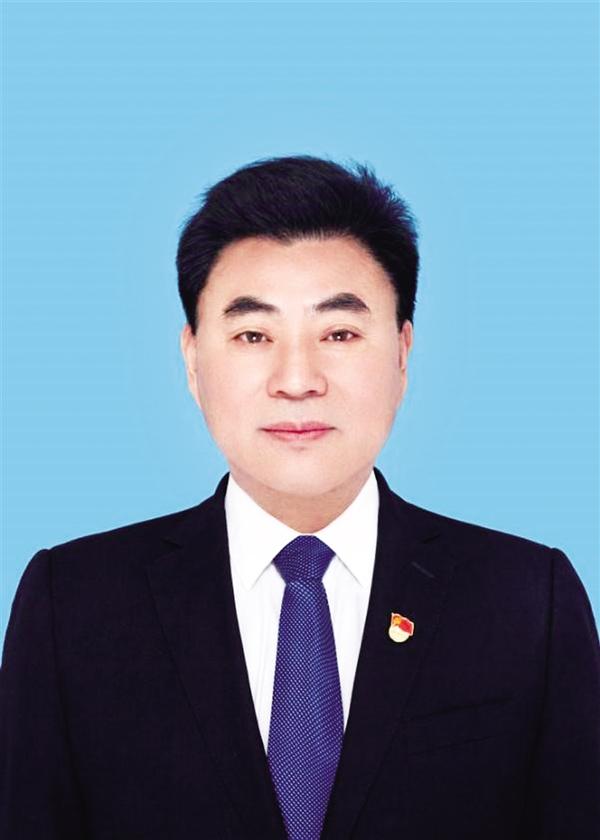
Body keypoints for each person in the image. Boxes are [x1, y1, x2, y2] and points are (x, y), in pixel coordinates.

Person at [1, 155, 599, 840]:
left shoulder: (527, 601)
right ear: (193, 359)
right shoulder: (74, 605)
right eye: (254, 335)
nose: (296, 379)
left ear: (402, 353)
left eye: (339, 334)